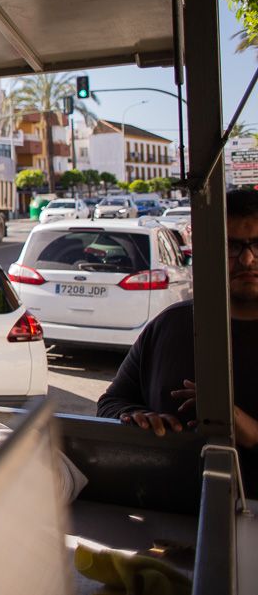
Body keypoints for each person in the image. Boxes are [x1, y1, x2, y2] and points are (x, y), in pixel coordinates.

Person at [97, 188, 258, 489]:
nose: (247, 259)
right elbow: (110, 403)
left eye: (257, 245)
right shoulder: (170, 325)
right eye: (232, 246)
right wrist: (135, 417)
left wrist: (242, 425)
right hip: (172, 518)